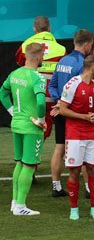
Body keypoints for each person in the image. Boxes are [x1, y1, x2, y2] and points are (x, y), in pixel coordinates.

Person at [58, 55, 94, 221]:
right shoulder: (73, 84)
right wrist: (84, 117)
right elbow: (63, 109)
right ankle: (74, 208)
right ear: (92, 66)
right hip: (75, 135)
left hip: (93, 135)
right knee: (75, 171)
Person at [0, 43, 46, 216]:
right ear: (37, 57)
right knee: (29, 165)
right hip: (31, 127)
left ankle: (15, 202)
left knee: (19, 163)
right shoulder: (37, 77)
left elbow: (2, 93)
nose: (43, 58)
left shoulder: (14, 74)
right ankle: (20, 206)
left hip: (17, 125)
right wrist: (41, 120)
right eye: (42, 55)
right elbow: (41, 103)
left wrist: (13, 112)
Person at [48, 29, 94, 198]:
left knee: (59, 147)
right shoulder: (83, 64)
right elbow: (81, 89)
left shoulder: (62, 61)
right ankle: (90, 189)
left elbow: (52, 85)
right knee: (83, 150)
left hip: (61, 111)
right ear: (88, 44)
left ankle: (56, 186)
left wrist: (59, 101)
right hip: (76, 113)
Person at [15, 16, 66, 141]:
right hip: (50, 97)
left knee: (31, 129)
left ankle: (30, 156)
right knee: (44, 130)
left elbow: (20, 65)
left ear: (34, 29)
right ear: (50, 28)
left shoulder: (25, 45)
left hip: (30, 96)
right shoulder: (61, 49)